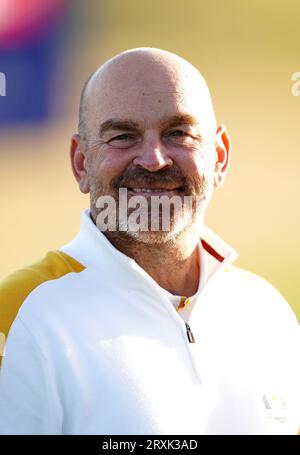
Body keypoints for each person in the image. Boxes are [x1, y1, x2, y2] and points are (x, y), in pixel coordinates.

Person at [0, 47, 299, 435]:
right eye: (123, 136)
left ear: (220, 157)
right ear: (81, 163)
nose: (154, 159)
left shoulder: (266, 311)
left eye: (179, 133)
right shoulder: (18, 317)